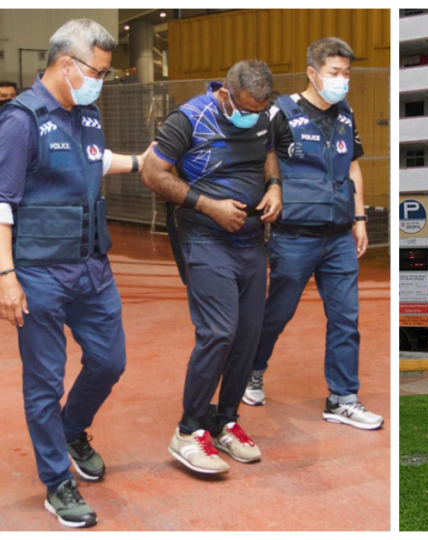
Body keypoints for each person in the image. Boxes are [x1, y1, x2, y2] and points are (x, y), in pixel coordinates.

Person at [0, 19, 152, 528]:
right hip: (40, 272)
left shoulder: (86, 114)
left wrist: (139, 163)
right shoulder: (21, 120)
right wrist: (5, 275)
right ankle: (55, 481)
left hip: (92, 265)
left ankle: (72, 429)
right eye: (98, 71)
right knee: (44, 381)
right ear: (67, 64)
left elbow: (92, 159)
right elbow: (1, 202)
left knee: (110, 361)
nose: (102, 81)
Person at [140, 59, 282, 475]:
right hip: (204, 238)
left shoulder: (262, 115)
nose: (253, 117)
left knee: (249, 335)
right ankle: (188, 430)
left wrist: (274, 186)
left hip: (252, 240)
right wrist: (210, 207)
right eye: (246, 109)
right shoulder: (189, 118)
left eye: (260, 110)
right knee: (219, 331)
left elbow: (269, 154)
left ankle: (225, 420)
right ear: (226, 94)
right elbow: (152, 172)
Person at [243, 37, 382, 430]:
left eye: (346, 73)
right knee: (277, 314)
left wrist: (359, 220)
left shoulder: (345, 114)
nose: (343, 80)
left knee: (345, 319)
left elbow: (353, 168)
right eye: (335, 73)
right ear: (312, 73)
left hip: (339, 236)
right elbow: (260, 161)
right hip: (294, 237)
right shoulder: (280, 113)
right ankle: (252, 370)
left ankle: (342, 398)